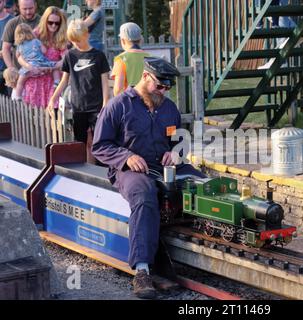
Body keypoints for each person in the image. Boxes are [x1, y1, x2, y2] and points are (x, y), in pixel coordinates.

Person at [92, 57, 206, 299]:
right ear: (145, 77)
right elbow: (100, 146)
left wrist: (175, 152)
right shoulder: (118, 105)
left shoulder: (169, 108)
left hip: (163, 165)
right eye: (159, 86)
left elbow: (179, 142)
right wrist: (126, 156)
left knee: (204, 183)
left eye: (167, 87)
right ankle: (142, 270)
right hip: (128, 169)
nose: (163, 91)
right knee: (144, 196)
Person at [48, 19, 109, 149]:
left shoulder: (99, 56)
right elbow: (64, 80)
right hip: (78, 106)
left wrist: (105, 103)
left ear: (87, 35)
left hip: (96, 106)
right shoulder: (70, 55)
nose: (77, 44)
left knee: (99, 142)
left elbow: (105, 82)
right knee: (79, 142)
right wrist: (53, 98)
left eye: (79, 40)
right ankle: (82, 168)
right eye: (73, 41)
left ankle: (100, 168)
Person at [21, 6, 68, 108]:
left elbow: (65, 59)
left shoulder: (61, 37)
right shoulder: (35, 34)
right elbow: (19, 55)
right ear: (45, 20)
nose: (54, 25)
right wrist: (29, 67)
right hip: (34, 80)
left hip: (52, 82)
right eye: (50, 22)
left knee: (53, 114)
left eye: (57, 23)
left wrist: (51, 67)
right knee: (32, 115)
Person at [13, 23, 61, 99]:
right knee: (55, 67)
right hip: (41, 64)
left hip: (29, 68)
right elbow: (44, 51)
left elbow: (17, 56)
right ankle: (56, 81)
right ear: (30, 32)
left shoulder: (20, 45)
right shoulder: (36, 41)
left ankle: (18, 96)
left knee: (20, 82)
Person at [111, 22, 150, 96]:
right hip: (147, 101)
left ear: (122, 40)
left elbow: (118, 88)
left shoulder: (121, 59)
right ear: (140, 39)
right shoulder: (149, 57)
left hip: (130, 101)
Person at [2, 0, 41, 71]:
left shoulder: (42, 22)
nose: (28, 12)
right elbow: (5, 49)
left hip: (39, 71)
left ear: (35, 6)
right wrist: (11, 68)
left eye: (30, 8)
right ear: (18, 7)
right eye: (24, 9)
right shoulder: (12, 23)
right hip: (18, 70)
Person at [0, 0, 14, 96]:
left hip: (10, 71)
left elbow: (22, 46)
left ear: (3, 2)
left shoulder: (13, 22)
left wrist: (7, 51)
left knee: (10, 106)